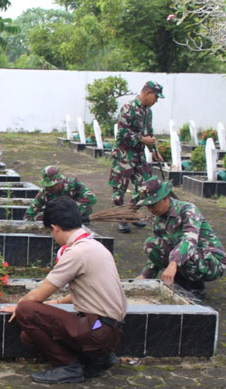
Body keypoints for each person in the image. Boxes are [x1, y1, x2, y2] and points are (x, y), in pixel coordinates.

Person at [2, 196, 127, 384]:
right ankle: (99, 358)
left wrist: (19, 306)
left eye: (51, 232)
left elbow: (40, 294)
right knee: (28, 338)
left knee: (26, 310)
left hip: (98, 329)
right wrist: (57, 303)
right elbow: (90, 291)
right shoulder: (95, 246)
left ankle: (68, 367)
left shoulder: (76, 253)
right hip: (108, 329)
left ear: (55, 228)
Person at [134, 177, 226, 300]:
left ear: (165, 198)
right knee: (151, 244)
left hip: (211, 261)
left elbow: (190, 240)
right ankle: (182, 282)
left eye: (153, 205)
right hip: (187, 258)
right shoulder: (158, 220)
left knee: (185, 252)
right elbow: (161, 250)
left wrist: (173, 264)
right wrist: (145, 276)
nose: (151, 209)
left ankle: (196, 286)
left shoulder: (187, 210)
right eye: (148, 206)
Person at [109, 81, 165, 233]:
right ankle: (121, 217)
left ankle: (131, 213)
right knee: (120, 188)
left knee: (146, 186)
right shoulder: (129, 108)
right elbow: (121, 133)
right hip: (124, 156)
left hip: (139, 157)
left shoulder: (148, 112)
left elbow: (149, 133)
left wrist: (153, 150)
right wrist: (142, 139)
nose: (156, 101)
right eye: (156, 97)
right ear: (147, 93)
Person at [24, 166, 96, 222]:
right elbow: (29, 213)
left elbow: (91, 198)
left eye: (51, 186)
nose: (48, 188)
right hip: (57, 221)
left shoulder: (73, 185)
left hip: (78, 218)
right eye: (46, 186)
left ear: (59, 182)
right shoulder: (44, 193)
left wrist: (71, 212)